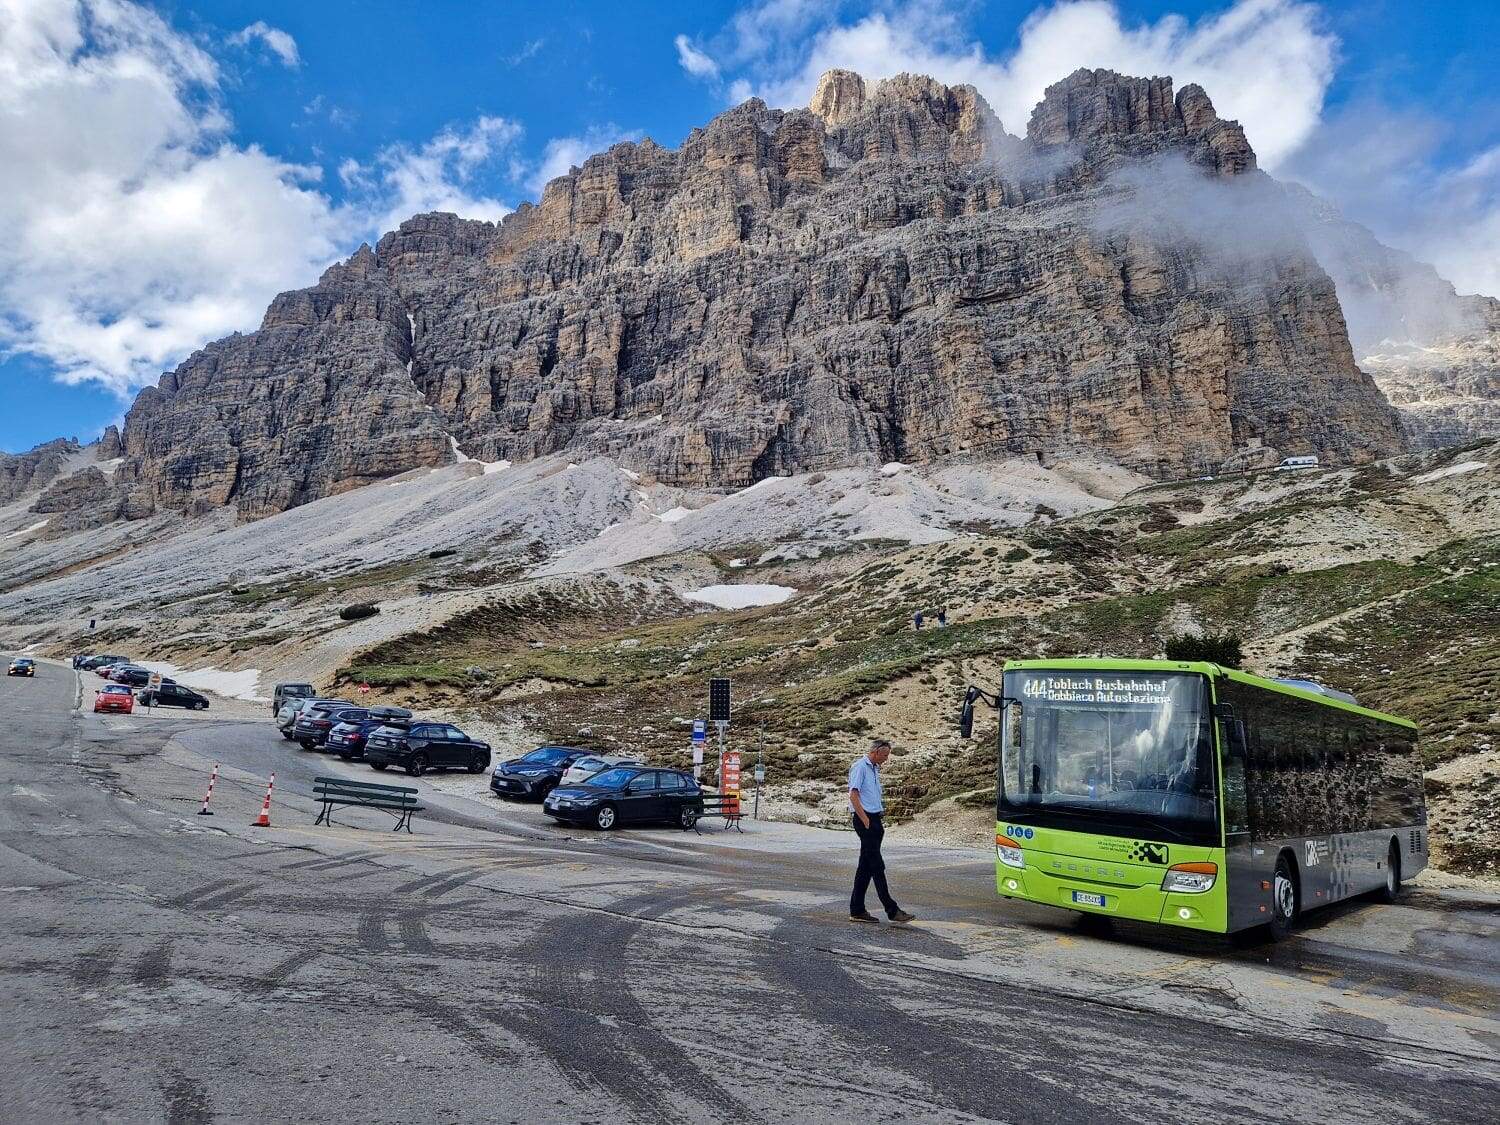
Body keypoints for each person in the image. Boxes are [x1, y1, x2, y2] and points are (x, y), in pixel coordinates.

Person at [847, 738, 915, 924]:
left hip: (875, 819)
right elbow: (853, 796)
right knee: (877, 866)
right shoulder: (860, 767)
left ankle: (857, 909)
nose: (886, 759)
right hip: (865, 820)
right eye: (885, 755)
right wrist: (866, 821)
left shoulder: (874, 768)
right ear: (875, 752)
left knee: (865, 868)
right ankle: (892, 910)